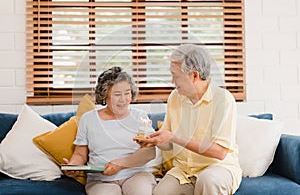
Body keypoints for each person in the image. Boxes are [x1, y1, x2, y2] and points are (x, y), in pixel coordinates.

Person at [135, 44, 242, 195]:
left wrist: (174, 137)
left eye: (176, 76)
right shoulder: (175, 97)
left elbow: (219, 152)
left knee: (208, 180)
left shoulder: (223, 100)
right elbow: (168, 144)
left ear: (194, 76)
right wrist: (155, 140)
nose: (172, 81)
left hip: (218, 168)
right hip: (184, 170)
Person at [63, 66, 157, 195]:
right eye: (117, 94)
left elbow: (149, 152)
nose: (123, 99)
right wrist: (73, 166)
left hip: (136, 174)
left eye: (127, 93)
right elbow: (80, 154)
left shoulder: (139, 117)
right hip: (101, 180)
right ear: (104, 95)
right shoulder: (88, 119)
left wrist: (121, 164)